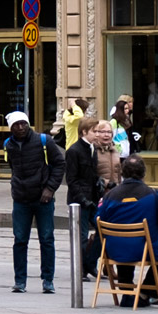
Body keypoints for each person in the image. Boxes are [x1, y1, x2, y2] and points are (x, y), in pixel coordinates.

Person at [97, 155, 158, 304]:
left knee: (124, 244)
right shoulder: (154, 195)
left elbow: (98, 220)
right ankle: (145, 293)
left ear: (122, 173)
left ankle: (127, 293)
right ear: (144, 173)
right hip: (144, 249)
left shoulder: (109, 196)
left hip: (113, 251)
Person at [3, 110, 66, 294]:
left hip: (43, 199)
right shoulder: (9, 145)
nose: (21, 127)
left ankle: (48, 280)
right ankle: (20, 280)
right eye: (16, 125)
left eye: (23, 123)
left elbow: (60, 165)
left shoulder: (43, 141)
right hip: (21, 199)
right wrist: (15, 187)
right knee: (20, 240)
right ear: (11, 128)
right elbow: (13, 168)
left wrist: (50, 189)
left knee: (46, 239)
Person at [65, 116, 102, 284]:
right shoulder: (74, 151)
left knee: (102, 231)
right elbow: (72, 180)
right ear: (84, 132)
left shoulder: (92, 148)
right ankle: (81, 269)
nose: (97, 134)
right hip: (80, 200)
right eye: (94, 131)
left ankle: (90, 263)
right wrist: (82, 199)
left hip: (92, 198)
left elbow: (92, 174)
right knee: (82, 237)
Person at [94, 121, 122, 193]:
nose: (107, 135)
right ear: (96, 133)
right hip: (98, 193)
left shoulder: (115, 150)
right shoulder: (92, 151)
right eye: (103, 132)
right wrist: (107, 184)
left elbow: (118, 173)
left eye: (109, 132)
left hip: (115, 193)